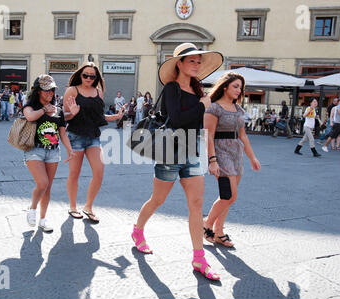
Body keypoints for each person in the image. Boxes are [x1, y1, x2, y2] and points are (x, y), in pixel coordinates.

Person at [131, 42, 224, 281]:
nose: (196, 64)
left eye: (198, 61)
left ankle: (199, 258)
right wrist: (202, 105)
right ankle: (138, 231)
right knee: (158, 199)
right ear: (179, 64)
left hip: (192, 150)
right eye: (191, 60)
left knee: (196, 204)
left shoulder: (199, 90)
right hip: (169, 151)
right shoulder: (172, 88)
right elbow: (179, 118)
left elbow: (198, 122)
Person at [203, 72, 261, 249]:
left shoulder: (239, 110)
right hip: (220, 153)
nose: (238, 90)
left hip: (236, 154)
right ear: (225, 86)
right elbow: (208, 136)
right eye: (235, 86)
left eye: (241, 88)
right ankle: (206, 225)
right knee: (230, 195)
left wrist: (252, 157)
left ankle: (219, 232)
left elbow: (243, 136)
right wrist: (212, 160)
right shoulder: (213, 108)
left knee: (227, 197)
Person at [63, 61, 124, 222]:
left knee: (99, 171)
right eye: (85, 75)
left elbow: (99, 117)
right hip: (75, 136)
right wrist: (73, 113)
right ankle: (73, 206)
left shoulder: (98, 92)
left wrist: (116, 117)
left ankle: (88, 206)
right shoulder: (72, 90)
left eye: (92, 76)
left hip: (93, 137)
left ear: (96, 77)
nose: (89, 78)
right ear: (80, 75)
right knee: (74, 174)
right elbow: (63, 116)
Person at [22, 74, 75, 233]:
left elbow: (62, 133)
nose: (50, 94)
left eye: (52, 90)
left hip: (53, 152)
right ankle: (32, 209)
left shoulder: (57, 110)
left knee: (48, 188)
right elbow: (30, 116)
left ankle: (43, 220)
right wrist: (45, 109)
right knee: (42, 183)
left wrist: (70, 149)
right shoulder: (30, 107)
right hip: (34, 150)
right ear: (38, 91)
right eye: (46, 90)